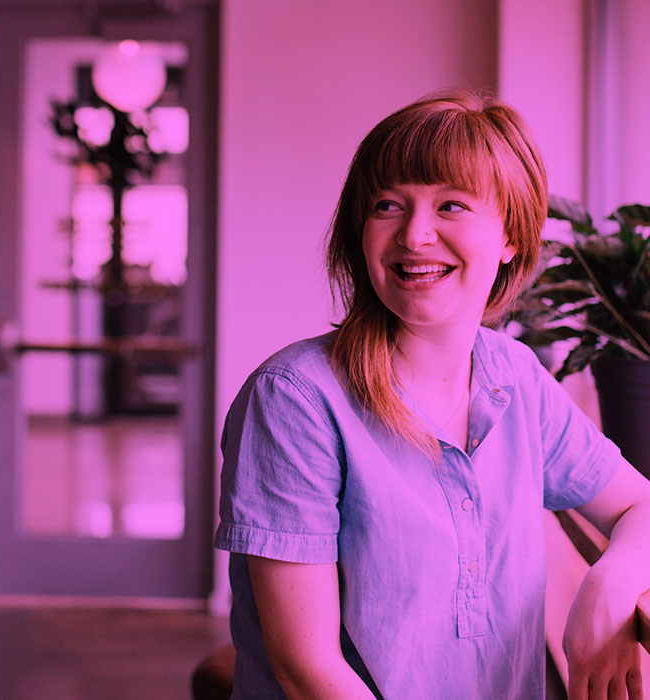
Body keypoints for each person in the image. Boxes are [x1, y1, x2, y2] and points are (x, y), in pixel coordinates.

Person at [214, 91, 650, 700]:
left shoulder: (516, 377)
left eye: (451, 205)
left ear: (510, 238)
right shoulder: (294, 399)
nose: (414, 235)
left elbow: (640, 506)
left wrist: (611, 583)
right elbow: (308, 670)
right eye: (387, 206)